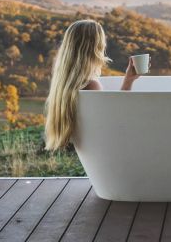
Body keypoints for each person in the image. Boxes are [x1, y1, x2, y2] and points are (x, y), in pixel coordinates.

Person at [44, 19, 140, 151]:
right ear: (95, 48)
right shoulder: (90, 85)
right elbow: (116, 121)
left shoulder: (65, 84)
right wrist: (128, 82)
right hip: (105, 152)